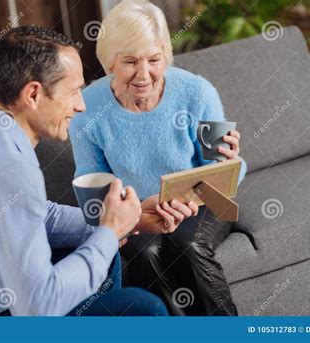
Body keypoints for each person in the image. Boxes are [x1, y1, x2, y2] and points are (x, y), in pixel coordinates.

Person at [0, 26, 169, 316]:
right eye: (74, 91)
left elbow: (37, 214)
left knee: (103, 249)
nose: (81, 106)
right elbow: (36, 308)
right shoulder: (8, 169)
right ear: (33, 94)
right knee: (145, 308)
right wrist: (108, 232)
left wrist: (131, 218)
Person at [69, 0, 247, 316]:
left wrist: (226, 161)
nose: (144, 74)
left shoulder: (197, 92)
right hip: (140, 210)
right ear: (109, 62)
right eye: (129, 62)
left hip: (201, 202)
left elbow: (226, 174)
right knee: (148, 252)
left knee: (188, 246)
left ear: (165, 55)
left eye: (154, 59)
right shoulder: (87, 110)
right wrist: (127, 212)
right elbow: (92, 189)